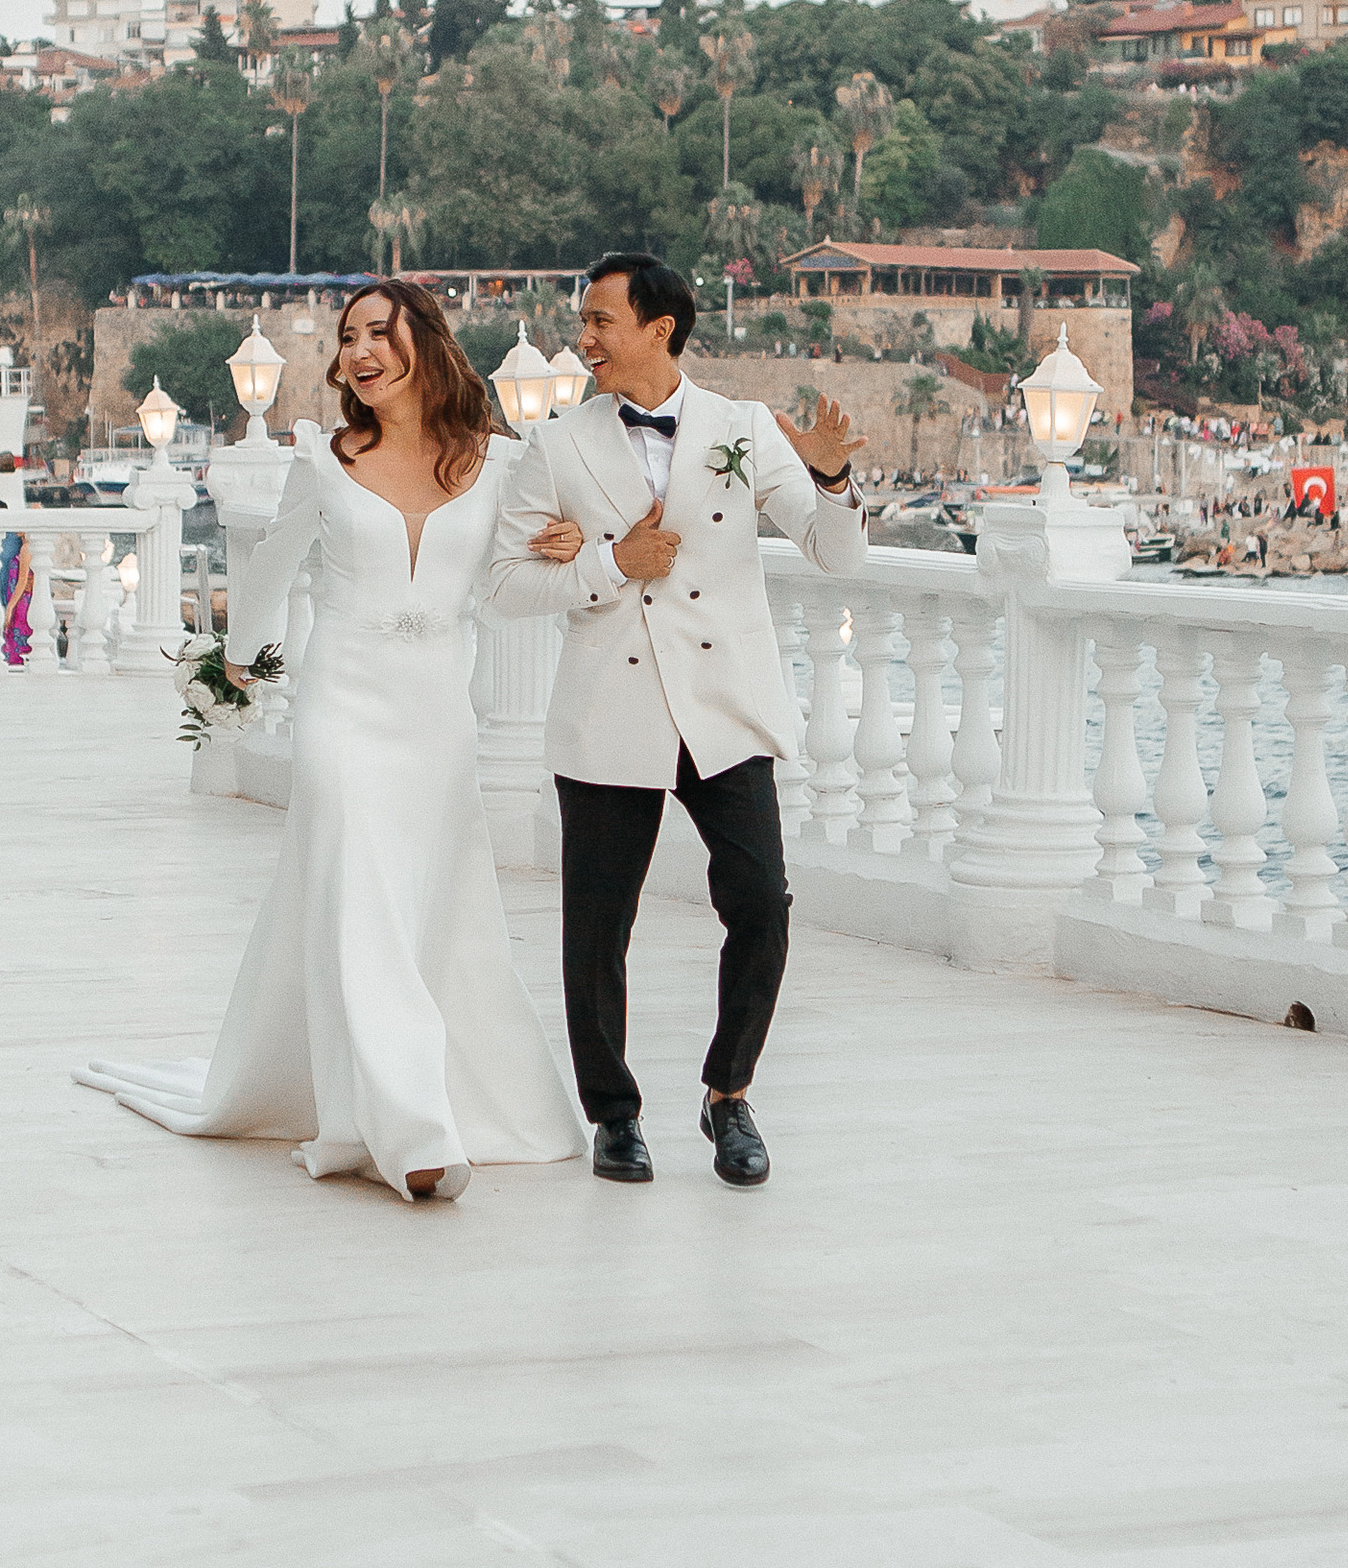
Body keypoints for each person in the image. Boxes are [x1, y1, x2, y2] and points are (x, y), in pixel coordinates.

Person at [82, 281, 584, 1202]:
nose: (359, 353)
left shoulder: (501, 462)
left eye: (379, 333)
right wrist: (237, 663)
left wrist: (566, 545)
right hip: (343, 706)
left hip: (439, 714)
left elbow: (508, 582)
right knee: (361, 895)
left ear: (426, 343)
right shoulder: (323, 456)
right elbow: (271, 564)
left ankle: (458, 1095)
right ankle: (404, 1129)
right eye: (348, 338)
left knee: (434, 904)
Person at [485, 250, 864, 1188]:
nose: (584, 338)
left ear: (660, 329)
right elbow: (505, 587)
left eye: (601, 321)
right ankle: (613, 1114)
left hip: (725, 707)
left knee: (762, 904)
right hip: (610, 708)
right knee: (597, 929)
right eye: (584, 320)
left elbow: (836, 555)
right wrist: (614, 561)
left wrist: (830, 478)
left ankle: (729, 1095)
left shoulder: (744, 428)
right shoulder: (558, 444)